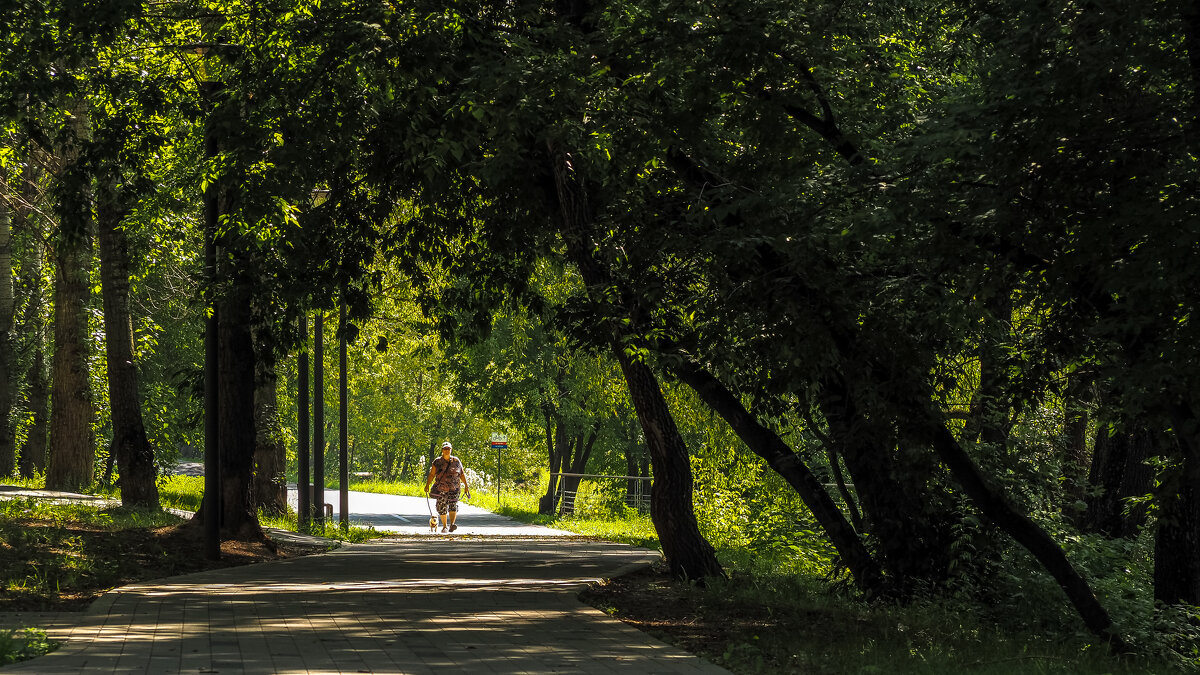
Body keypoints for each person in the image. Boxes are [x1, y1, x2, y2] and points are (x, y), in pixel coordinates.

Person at [425, 441, 471, 533]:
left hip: (455, 488)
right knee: (442, 506)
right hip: (441, 488)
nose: (447, 451)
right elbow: (432, 474)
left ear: (451, 450)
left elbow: (461, 474)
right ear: (442, 450)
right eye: (445, 449)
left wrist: (466, 485)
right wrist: (427, 485)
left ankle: (452, 525)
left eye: (448, 449)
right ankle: (445, 526)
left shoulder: (456, 461)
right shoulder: (437, 462)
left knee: (453, 506)